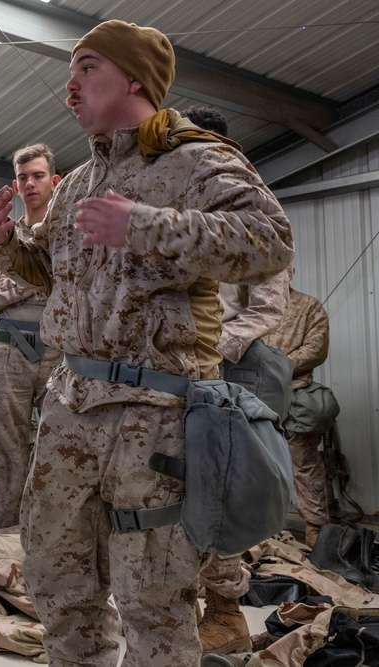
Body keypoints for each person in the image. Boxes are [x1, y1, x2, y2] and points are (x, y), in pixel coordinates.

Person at [0, 20, 294, 667]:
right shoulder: (76, 185)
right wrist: (3, 243)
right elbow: (51, 271)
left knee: (152, 595)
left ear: (134, 78)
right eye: (70, 72)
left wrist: (144, 225)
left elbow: (269, 238)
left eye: (87, 67)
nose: (70, 87)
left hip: (153, 414)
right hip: (69, 408)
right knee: (56, 575)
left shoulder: (192, 158)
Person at [183, 105, 293, 656]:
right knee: (171, 492)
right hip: (173, 376)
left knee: (219, 489)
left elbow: (268, 307)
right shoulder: (170, 213)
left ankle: (226, 613)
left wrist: (211, 349)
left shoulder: (255, 214)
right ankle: (182, 607)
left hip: (224, 375)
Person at [0, 143, 63, 531]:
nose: (30, 184)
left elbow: (79, 288)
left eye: (38, 175)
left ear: (54, 181)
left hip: (61, 356)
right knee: (9, 459)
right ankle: (3, 545)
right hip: (9, 358)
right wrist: (39, 281)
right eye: (23, 177)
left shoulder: (65, 237)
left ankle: (52, 547)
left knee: (61, 455)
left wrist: (16, 276)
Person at [263, 286, 331, 547]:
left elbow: (316, 349)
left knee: (304, 464)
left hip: (293, 395)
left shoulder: (307, 306)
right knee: (253, 464)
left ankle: (316, 533)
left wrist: (273, 366)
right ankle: (259, 532)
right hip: (250, 397)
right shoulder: (246, 308)